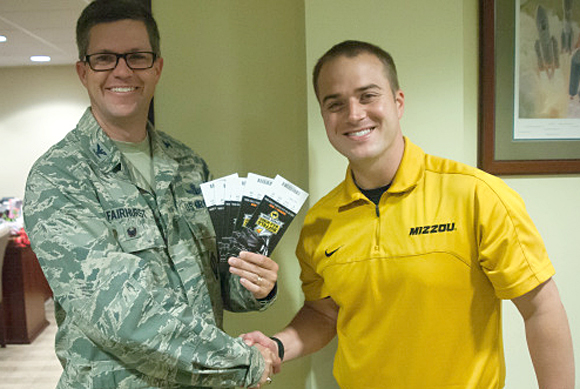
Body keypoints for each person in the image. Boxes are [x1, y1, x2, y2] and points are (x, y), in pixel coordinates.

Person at [242, 40, 575, 388]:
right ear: (324, 116)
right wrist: (278, 345)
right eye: (335, 104)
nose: (354, 114)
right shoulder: (319, 222)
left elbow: (541, 308)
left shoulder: (475, 195)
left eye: (368, 96)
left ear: (398, 102)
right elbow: (324, 313)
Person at [23, 1, 279, 387]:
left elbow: (218, 283)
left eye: (137, 57)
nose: (122, 70)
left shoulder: (189, 165)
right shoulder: (58, 178)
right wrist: (244, 363)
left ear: (156, 68)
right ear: (83, 71)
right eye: (105, 58)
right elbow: (121, 314)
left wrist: (255, 285)